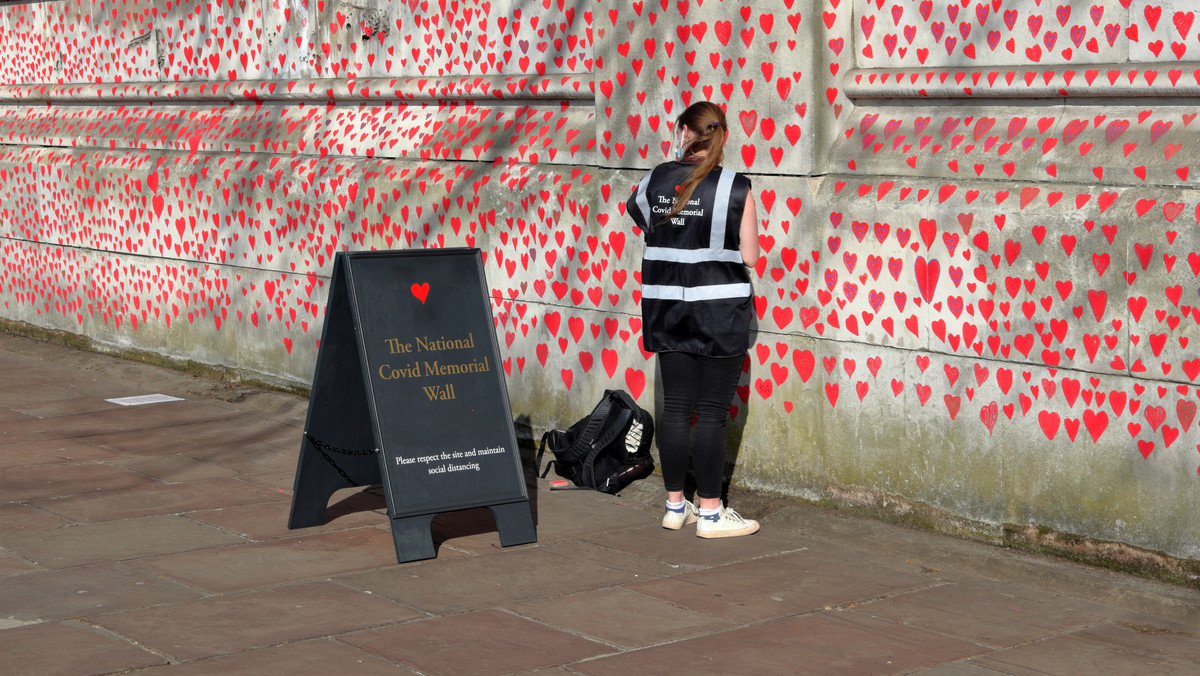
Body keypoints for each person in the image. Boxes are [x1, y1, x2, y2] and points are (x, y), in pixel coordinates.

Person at [625, 101, 761, 538]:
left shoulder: (654, 180)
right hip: (719, 315)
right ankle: (710, 514)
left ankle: (674, 506)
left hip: (668, 310)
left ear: (683, 131)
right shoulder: (735, 188)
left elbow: (643, 220)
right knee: (711, 414)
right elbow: (751, 256)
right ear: (720, 135)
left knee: (677, 410)